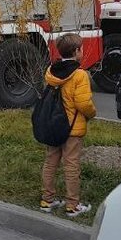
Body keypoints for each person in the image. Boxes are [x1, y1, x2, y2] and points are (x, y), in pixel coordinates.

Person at [39, 33, 98, 217]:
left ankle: (47, 200)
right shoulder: (79, 75)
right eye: (81, 48)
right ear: (76, 51)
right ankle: (72, 205)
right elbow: (83, 103)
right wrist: (92, 113)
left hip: (53, 125)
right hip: (73, 128)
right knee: (71, 165)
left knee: (50, 162)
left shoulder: (52, 71)